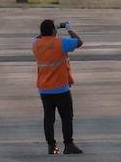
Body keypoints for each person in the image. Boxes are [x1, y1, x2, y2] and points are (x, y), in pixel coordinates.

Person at [33, 19, 84, 154]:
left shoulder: (36, 44)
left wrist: (49, 29)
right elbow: (79, 42)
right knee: (66, 117)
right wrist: (68, 29)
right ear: (53, 31)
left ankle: (52, 146)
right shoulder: (60, 42)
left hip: (44, 88)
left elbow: (38, 37)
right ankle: (68, 144)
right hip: (60, 88)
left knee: (48, 118)